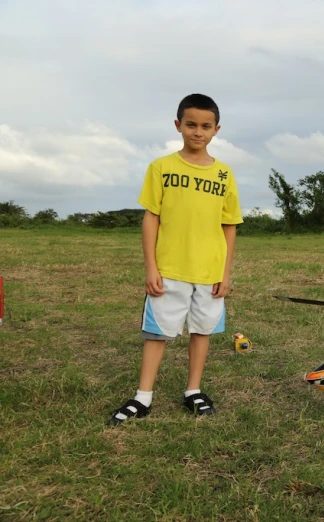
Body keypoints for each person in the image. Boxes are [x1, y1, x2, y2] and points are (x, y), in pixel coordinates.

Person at [107, 94, 244, 425]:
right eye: (191, 124)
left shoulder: (224, 174)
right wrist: (151, 267)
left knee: (202, 331)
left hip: (209, 271)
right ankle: (143, 397)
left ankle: (193, 391)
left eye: (206, 126)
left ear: (216, 129)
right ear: (178, 125)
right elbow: (151, 217)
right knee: (157, 334)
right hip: (169, 269)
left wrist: (225, 272)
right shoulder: (161, 167)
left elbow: (230, 226)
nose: (198, 132)